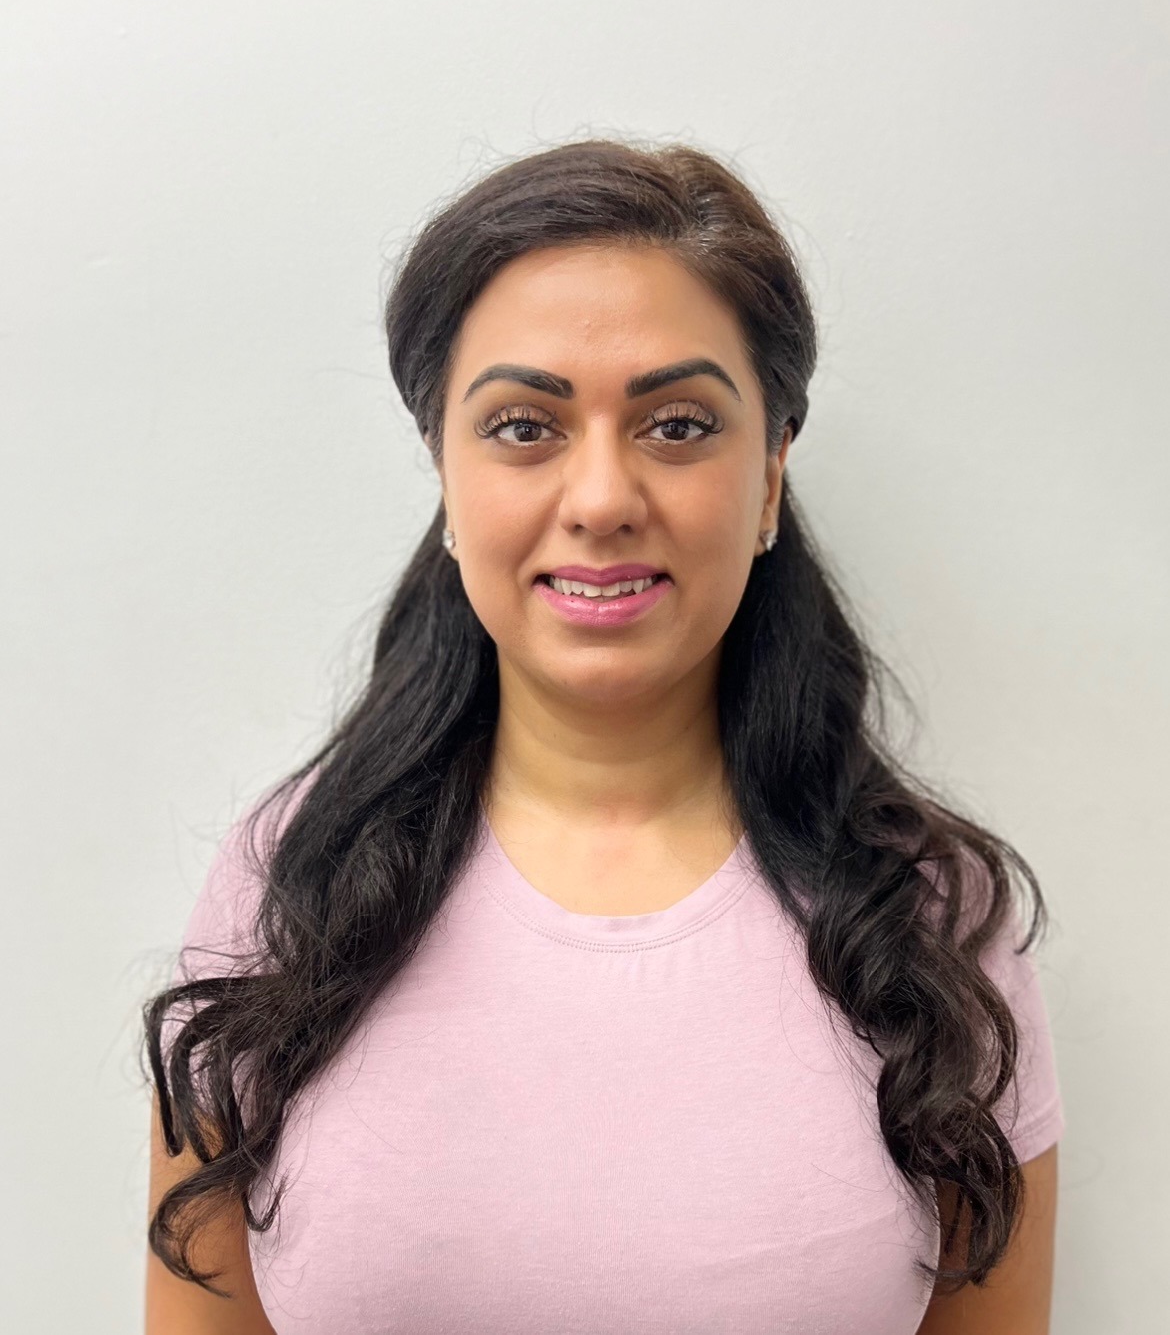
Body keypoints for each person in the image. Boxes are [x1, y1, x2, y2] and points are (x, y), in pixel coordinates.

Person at [142, 139, 1064, 1334]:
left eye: (678, 426)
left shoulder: (932, 916)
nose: (601, 499)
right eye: (524, 426)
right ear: (445, 474)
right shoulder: (292, 879)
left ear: (772, 474)